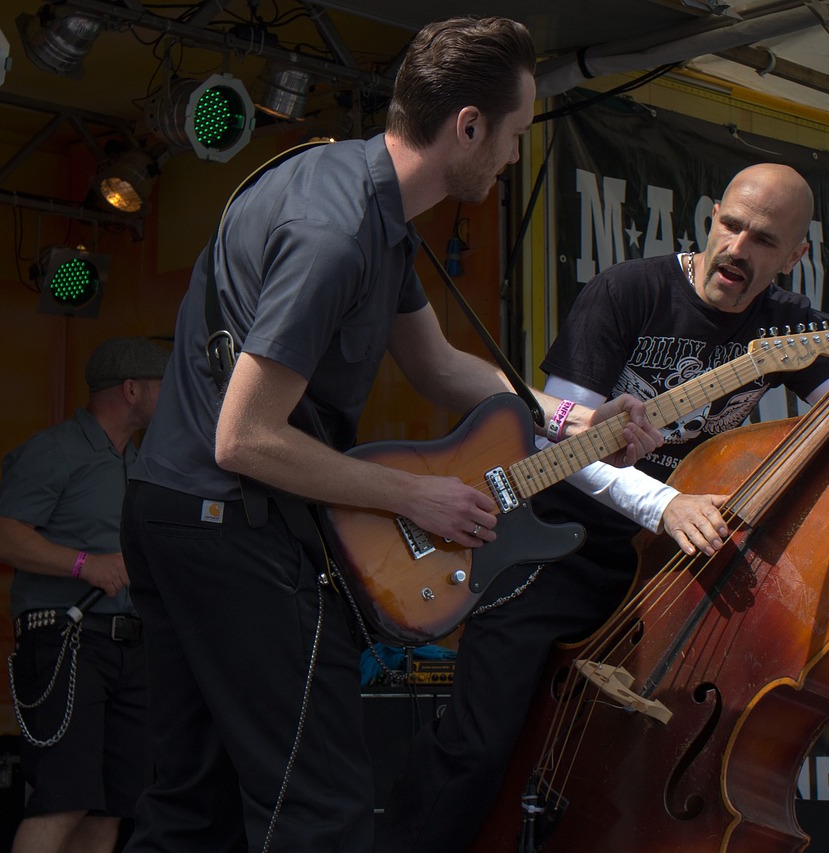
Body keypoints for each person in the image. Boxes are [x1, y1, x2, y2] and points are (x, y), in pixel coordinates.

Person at [118, 16, 660, 853]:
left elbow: (439, 364)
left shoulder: (362, 198)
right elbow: (246, 438)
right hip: (232, 521)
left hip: (177, 513)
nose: (514, 157)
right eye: (513, 136)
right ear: (468, 127)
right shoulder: (336, 235)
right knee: (320, 810)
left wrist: (571, 419)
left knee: (191, 807)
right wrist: (417, 495)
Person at [376, 162, 829, 852]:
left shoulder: (787, 327)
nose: (739, 249)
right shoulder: (626, 292)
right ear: (712, 216)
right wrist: (664, 504)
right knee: (478, 743)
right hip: (558, 543)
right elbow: (557, 438)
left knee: (630, 757)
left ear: (795, 256)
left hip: (664, 569)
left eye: (764, 241)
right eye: (732, 225)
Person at [0, 336, 170, 853]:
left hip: (131, 649)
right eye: (165, 386)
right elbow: (3, 535)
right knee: (62, 797)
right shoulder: (55, 449)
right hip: (66, 640)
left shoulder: (142, 466)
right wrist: (83, 564)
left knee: (112, 807)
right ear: (132, 389)